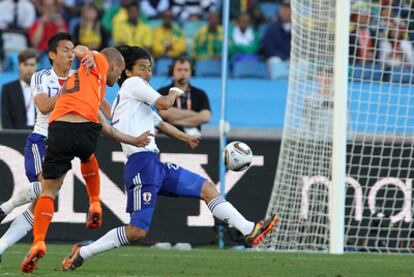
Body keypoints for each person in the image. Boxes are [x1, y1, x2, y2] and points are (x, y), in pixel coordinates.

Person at [61, 45, 279, 271]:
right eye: (142, 68)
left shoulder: (130, 101)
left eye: (150, 68)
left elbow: (161, 124)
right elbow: (165, 105)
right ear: (127, 71)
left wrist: (186, 138)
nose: (147, 73)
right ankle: (84, 252)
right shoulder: (133, 85)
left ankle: (249, 230)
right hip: (141, 166)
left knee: (207, 189)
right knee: (136, 232)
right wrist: (174, 92)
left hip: (154, 164)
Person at [0, 33, 149, 264]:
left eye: (72, 51)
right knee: (44, 188)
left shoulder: (80, 74)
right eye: (65, 50)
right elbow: (42, 105)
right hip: (42, 139)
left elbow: (104, 109)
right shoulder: (42, 76)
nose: (71, 54)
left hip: (60, 136)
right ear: (52, 55)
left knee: (42, 199)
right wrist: (71, 92)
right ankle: (7, 207)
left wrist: (125, 117)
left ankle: (6, 244)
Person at [157, 56, 211, 137]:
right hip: (166, 139)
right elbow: (165, 113)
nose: (183, 73)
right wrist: (195, 115)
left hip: (193, 141)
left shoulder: (200, 94)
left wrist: (174, 121)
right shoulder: (162, 91)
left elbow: (206, 117)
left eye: (186, 70)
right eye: (179, 69)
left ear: (191, 72)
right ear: (172, 72)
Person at [1, 48, 38, 129]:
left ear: (36, 66)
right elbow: (6, 118)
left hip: (39, 134)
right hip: (17, 135)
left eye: (32, 65)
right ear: (19, 66)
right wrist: (12, 138)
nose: (29, 68)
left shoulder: (43, 88)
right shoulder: (8, 89)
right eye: (25, 64)